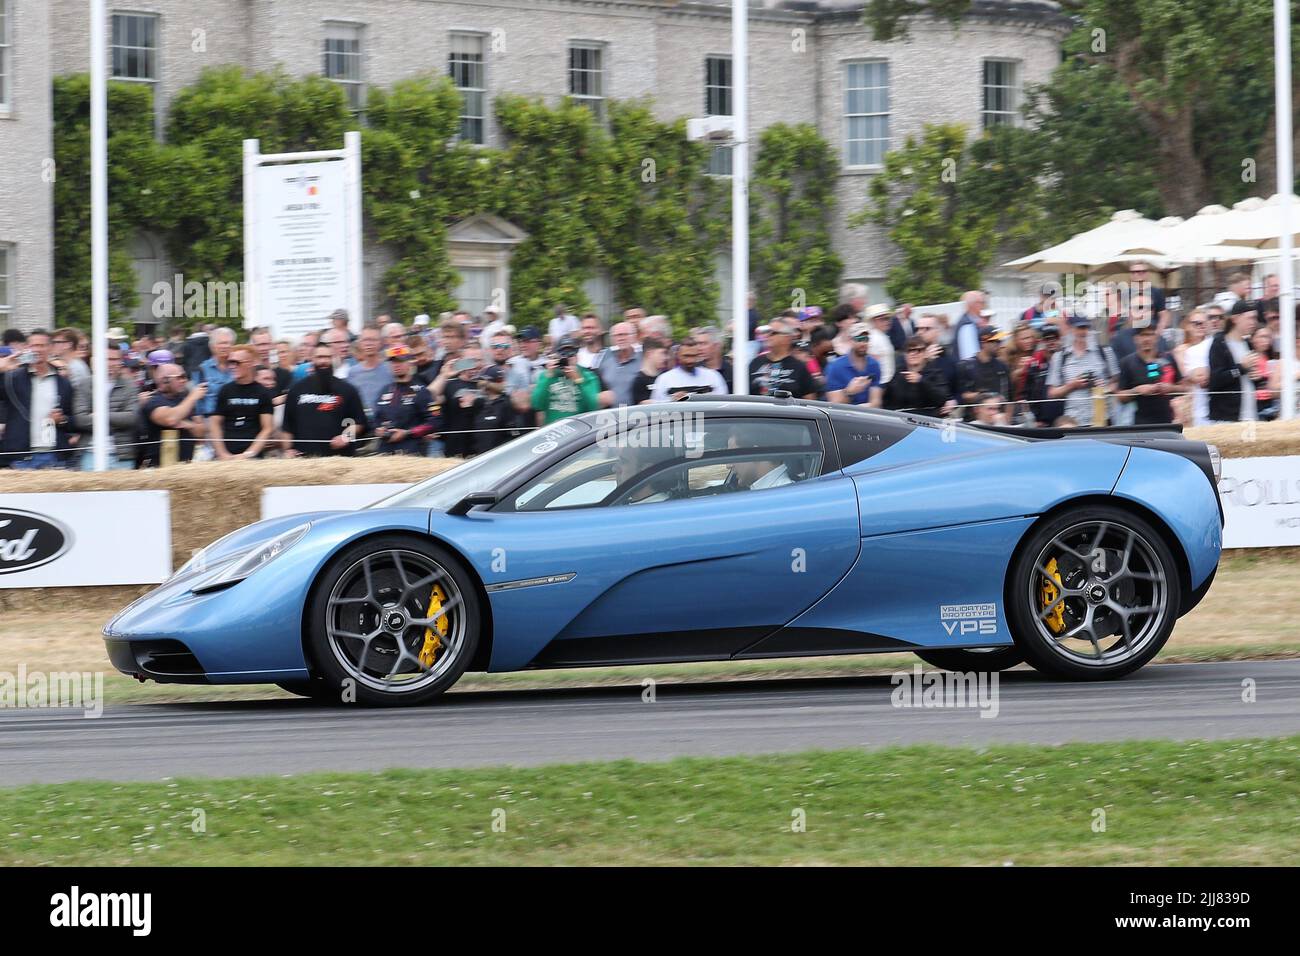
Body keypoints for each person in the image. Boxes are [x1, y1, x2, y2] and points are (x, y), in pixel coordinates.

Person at [0, 329, 76, 469]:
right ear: (27, 348)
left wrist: (62, 420)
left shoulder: (63, 383)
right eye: (34, 345)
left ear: (50, 348)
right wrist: (2, 367)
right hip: (21, 456)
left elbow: (73, 419)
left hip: (53, 455)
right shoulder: (12, 378)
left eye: (42, 345)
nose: (38, 349)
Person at [281, 343, 368, 457]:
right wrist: (287, 450)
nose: (323, 361)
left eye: (327, 357)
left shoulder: (348, 390)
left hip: (339, 459)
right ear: (312, 359)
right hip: (304, 460)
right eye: (319, 357)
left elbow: (359, 422)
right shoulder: (296, 390)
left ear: (333, 359)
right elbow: (287, 426)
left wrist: (346, 437)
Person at [73, 341, 138, 469]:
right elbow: (80, 420)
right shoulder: (85, 384)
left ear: (121, 361)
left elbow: (131, 418)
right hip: (90, 453)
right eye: (107, 359)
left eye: (115, 359)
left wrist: (100, 415)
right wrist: (117, 419)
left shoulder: (130, 386)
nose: (111, 363)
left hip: (122, 455)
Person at [1046, 316, 1118, 426]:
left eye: (1085, 328)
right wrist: (1072, 385)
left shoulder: (1105, 351)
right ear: (1070, 329)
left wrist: (1104, 389)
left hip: (1102, 418)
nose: (1083, 332)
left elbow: (1117, 383)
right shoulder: (1060, 357)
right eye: (1078, 328)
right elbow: (1052, 393)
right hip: (1073, 421)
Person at [210, 346, 275, 459]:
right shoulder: (225, 390)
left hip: (252, 457)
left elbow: (267, 428)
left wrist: (248, 454)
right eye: (230, 362)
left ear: (250, 363)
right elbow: (215, 423)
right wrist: (222, 453)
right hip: (226, 455)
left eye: (237, 363)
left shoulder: (263, 393)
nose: (232, 367)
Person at [373, 346, 440, 455]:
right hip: (385, 453)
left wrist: (407, 433)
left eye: (400, 361)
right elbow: (376, 420)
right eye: (393, 362)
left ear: (410, 363)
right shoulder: (384, 390)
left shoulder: (422, 390)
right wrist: (378, 430)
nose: (396, 365)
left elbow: (436, 420)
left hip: (412, 453)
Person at [1117, 320, 1185, 426]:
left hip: (1168, 422)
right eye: (1143, 335)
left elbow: (1185, 388)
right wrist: (1137, 390)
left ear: (1156, 337)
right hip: (1140, 425)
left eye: (1150, 334)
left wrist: (1171, 388)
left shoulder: (1168, 358)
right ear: (1135, 339)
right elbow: (1120, 397)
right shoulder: (1127, 362)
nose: (1147, 339)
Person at [139, 364, 207, 467]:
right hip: (159, 467)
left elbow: (201, 432)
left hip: (185, 465)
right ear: (165, 380)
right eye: (180, 377)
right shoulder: (153, 401)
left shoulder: (184, 400)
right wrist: (193, 397)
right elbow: (171, 419)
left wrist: (188, 425)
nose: (184, 380)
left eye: (185, 376)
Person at [1206, 300, 1262, 423]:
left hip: (1250, 415)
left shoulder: (1248, 343)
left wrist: (1256, 377)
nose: (1253, 322)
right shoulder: (1219, 344)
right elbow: (1216, 380)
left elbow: (1248, 379)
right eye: (1250, 318)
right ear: (1236, 319)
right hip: (1227, 418)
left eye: (1255, 318)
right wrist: (1241, 367)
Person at [532, 334, 601, 423]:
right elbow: (537, 404)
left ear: (577, 355)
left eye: (571, 353)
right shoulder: (547, 374)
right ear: (557, 355)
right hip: (553, 428)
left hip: (578, 429)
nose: (568, 357)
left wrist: (578, 380)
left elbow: (593, 406)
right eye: (563, 353)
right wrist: (547, 377)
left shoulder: (588, 375)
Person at [883, 335, 950, 417]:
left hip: (927, 421)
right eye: (909, 351)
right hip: (901, 422)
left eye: (918, 350)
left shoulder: (935, 373)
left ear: (925, 353)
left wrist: (921, 381)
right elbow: (887, 401)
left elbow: (941, 399)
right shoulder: (899, 374)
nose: (913, 353)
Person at [748, 319, 815, 398]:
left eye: (772, 333)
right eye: (766, 332)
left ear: (786, 338)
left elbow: (809, 400)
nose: (767, 335)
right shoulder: (755, 362)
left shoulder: (799, 367)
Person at [825, 322, 883, 407]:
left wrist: (860, 409)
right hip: (843, 416)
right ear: (850, 341)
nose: (863, 343)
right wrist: (849, 392)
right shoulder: (835, 367)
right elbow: (833, 406)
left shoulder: (874, 365)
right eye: (859, 339)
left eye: (866, 339)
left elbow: (876, 401)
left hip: (868, 415)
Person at [957, 326, 1011, 416]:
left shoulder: (1002, 366)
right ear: (983, 343)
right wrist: (985, 396)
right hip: (973, 421)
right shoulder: (966, 366)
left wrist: (1006, 421)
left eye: (1000, 341)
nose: (1000, 345)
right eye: (996, 342)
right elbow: (962, 395)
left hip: (998, 419)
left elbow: (1010, 398)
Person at [347, 325, 394, 422]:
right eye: (365, 340)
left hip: (387, 423)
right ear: (360, 343)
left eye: (373, 340)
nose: (369, 343)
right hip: (362, 425)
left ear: (381, 343)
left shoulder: (391, 369)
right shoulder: (352, 372)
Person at [594, 321, 641, 407]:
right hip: (609, 414)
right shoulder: (604, 357)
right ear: (612, 339)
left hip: (636, 413)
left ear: (634, 336)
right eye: (618, 335)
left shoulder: (642, 358)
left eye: (625, 334)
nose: (621, 338)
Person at [191, 326, 235, 417]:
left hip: (233, 417)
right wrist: (198, 418)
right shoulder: (202, 369)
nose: (225, 346)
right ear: (212, 346)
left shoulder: (238, 367)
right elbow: (197, 399)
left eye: (228, 343)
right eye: (221, 343)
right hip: (210, 417)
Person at [632, 339, 670, 404]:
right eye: (662, 353)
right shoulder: (639, 380)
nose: (665, 358)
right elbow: (643, 405)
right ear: (649, 354)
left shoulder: (666, 376)